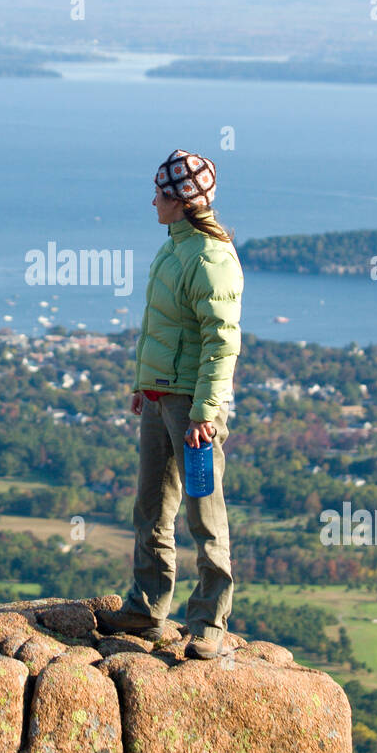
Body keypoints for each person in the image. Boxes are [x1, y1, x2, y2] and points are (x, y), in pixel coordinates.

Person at [97, 149, 244, 659]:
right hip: (161, 398)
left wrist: (205, 413)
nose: (153, 201)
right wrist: (143, 383)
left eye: (161, 193)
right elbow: (159, 325)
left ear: (184, 201)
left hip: (191, 410)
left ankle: (209, 621)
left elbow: (221, 340)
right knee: (152, 508)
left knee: (205, 514)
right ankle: (146, 606)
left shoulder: (210, 258)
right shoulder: (173, 249)